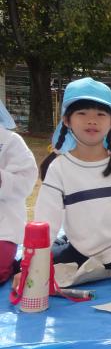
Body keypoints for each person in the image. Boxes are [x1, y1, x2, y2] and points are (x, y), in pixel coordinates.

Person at [34, 77, 111, 270]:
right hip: (82, 251)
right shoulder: (59, 169)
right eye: (82, 113)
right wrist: (34, 266)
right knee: (25, 265)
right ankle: (65, 242)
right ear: (67, 120)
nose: (92, 120)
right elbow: (45, 222)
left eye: (101, 114)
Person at [0, 99, 38, 283]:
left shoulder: (9, 142)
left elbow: (26, 181)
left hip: (3, 227)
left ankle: (8, 265)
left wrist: (2, 179)